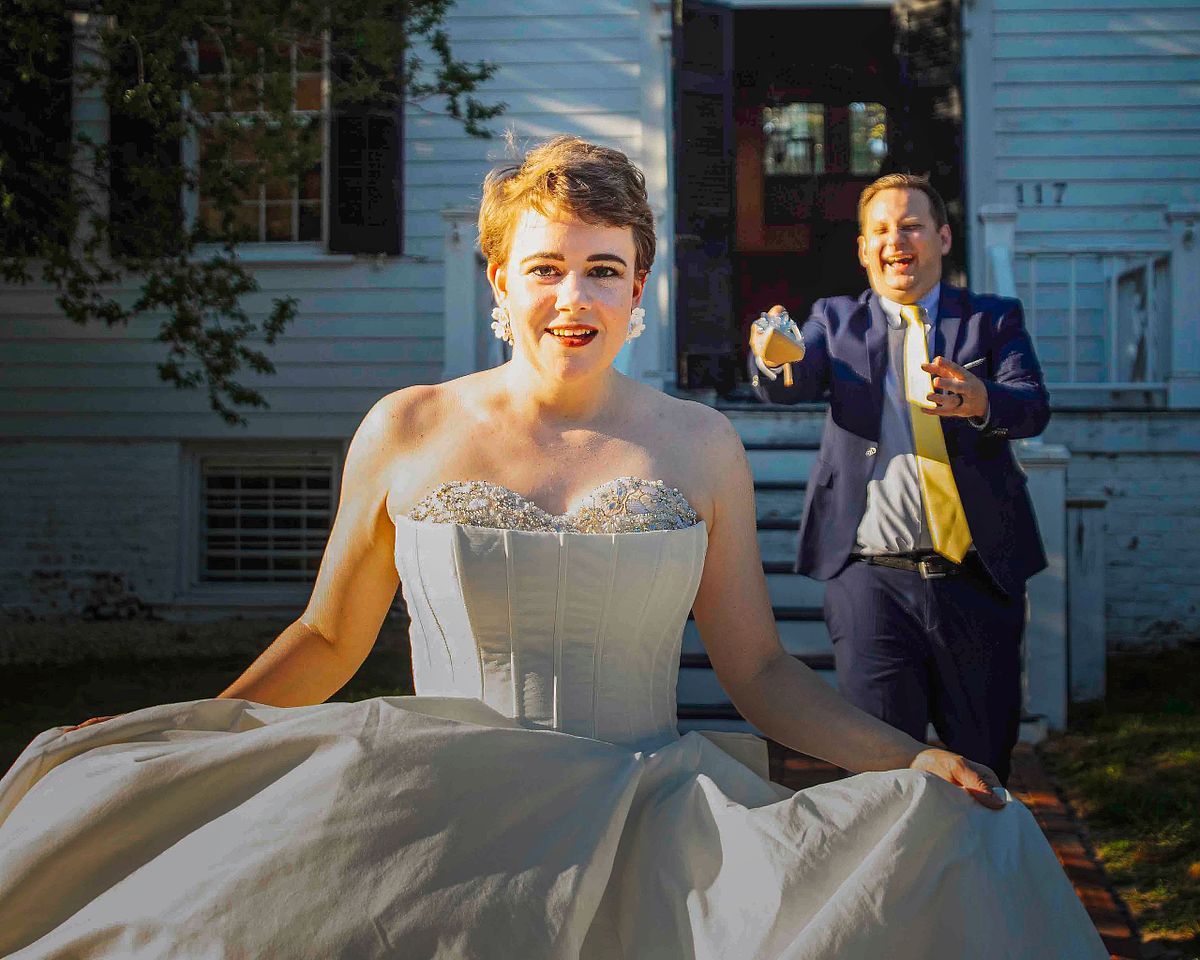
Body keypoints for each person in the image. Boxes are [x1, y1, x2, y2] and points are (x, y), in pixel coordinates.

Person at [0, 140, 1103, 959]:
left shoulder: (699, 443)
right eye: (544, 267)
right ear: (498, 280)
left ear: (639, 289)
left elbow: (761, 675)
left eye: (603, 269)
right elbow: (329, 634)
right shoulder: (407, 427)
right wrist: (196, 729)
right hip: (428, 819)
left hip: (639, 824)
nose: (571, 297)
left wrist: (909, 758)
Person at [749, 173, 1050, 785]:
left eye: (911, 226)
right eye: (881, 230)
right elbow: (792, 379)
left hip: (978, 576)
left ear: (941, 237)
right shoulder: (833, 321)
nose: (896, 240)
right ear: (863, 249)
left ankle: (974, 879)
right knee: (878, 770)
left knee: (985, 764)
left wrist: (982, 399)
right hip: (870, 582)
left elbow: (1033, 405)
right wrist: (773, 354)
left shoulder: (993, 320)